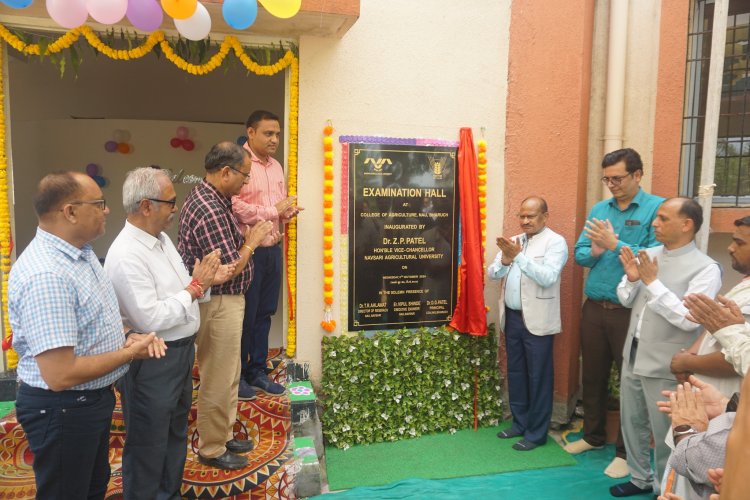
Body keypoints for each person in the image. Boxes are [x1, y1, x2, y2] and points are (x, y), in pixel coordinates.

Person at [9, 172, 164, 499]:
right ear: (70, 212)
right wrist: (128, 354)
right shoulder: (47, 274)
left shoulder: (80, 253)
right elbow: (60, 375)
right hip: (63, 407)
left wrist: (126, 336)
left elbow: (92, 320)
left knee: (92, 486)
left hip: (86, 402)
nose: (107, 211)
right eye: (99, 204)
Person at [104, 168, 235, 498]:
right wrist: (195, 286)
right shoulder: (126, 254)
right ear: (146, 206)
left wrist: (205, 283)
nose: (175, 209)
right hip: (152, 358)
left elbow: (182, 290)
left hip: (178, 354)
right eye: (170, 203)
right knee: (149, 443)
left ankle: (169, 493)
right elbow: (150, 316)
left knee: (175, 433)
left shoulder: (161, 241)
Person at [609, 197, 721, 498]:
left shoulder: (707, 268)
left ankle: (665, 487)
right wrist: (633, 281)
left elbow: (689, 319)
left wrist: (653, 283)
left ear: (687, 225)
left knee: (665, 432)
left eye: (662, 219)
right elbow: (624, 296)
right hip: (633, 350)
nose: (654, 224)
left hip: (667, 361)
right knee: (631, 420)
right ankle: (639, 477)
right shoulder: (648, 253)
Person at [566, 148, 664, 479]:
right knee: (592, 376)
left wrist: (614, 242)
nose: (612, 185)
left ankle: (626, 452)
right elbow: (580, 255)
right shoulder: (599, 209)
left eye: (618, 178)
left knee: (630, 382)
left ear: (638, 175)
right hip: (594, 307)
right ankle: (592, 437)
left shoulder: (657, 209)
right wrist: (594, 249)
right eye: (606, 178)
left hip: (631, 312)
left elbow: (655, 258)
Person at [178, 142, 273, 470]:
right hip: (217, 302)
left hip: (226, 302)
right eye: (245, 176)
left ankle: (223, 433)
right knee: (218, 376)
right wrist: (252, 242)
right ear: (225, 172)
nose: (247, 182)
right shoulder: (209, 207)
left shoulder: (216, 200)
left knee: (229, 374)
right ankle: (213, 448)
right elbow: (229, 267)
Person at [487, 197, 568, 451]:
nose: (525, 221)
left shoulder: (556, 242)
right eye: (521, 216)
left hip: (537, 320)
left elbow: (548, 277)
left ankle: (536, 433)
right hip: (511, 317)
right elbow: (492, 273)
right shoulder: (514, 240)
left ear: (545, 216)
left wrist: (519, 258)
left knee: (539, 376)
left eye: (530, 216)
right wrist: (505, 261)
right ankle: (519, 424)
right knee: (517, 372)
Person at [232, 110, 302, 400]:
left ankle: (257, 371)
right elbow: (235, 206)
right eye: (268, 133)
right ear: (250, 133)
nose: (274, 139)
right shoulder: (238, 163)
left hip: (273, 249)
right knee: (245, 316)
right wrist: (274, 210)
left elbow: (274, 209)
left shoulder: (276, 166)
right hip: (249, 253)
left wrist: (285, 214)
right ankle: (236, 376)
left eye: (277, 134)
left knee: (264, 314)